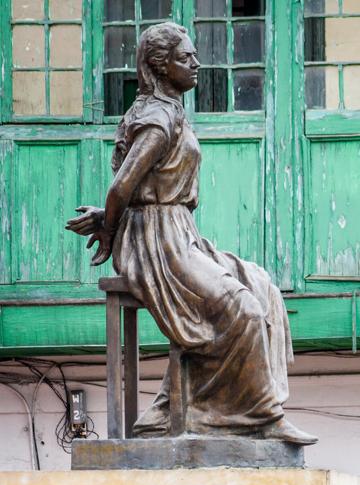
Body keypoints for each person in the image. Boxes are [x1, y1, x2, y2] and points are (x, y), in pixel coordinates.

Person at [66, 22, 316, 445]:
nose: (197, 63)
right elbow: (121, 187)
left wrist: (112, 216)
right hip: (156, 243)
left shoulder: (171, 110)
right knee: (244, 310)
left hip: (180, 232)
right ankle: (259, 416)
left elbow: (132, 189)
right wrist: (110, 227)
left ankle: (180, 411)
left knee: (260, 285)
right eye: (186, 58)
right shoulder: (157, 119)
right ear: (160, 68)